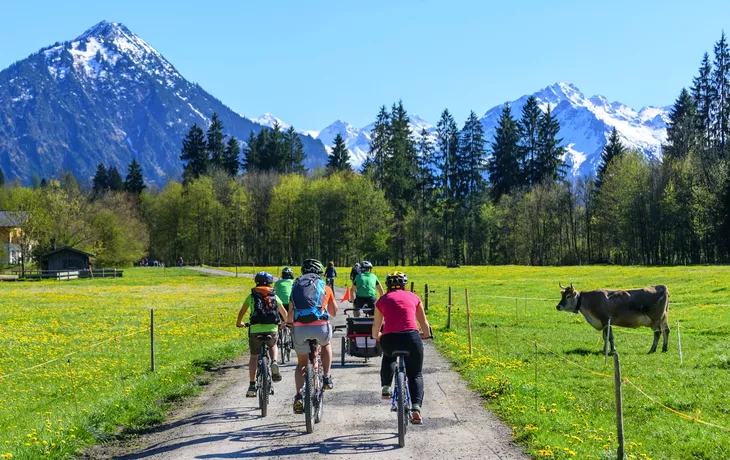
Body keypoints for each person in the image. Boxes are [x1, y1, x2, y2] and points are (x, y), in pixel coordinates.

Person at [371, 271, 431, 424]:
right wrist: (426, 334)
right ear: (404, 285)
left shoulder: (382, 300)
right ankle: (416, 408)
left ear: (387, 285)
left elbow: (376, 325)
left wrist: (376, 335)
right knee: (415, 374)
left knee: (388, 356)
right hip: (412, 337)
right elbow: (424, 323)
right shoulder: (414, 297)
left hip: (390, 338)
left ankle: (386, 387)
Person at [288, 259, 338, 414]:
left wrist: (290, 324)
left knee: (301, 364)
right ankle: (327, 376)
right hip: (320, 327)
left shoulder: (295, 286)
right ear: (320, 273)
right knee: (326, 344)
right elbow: (334, 312)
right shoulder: (325, 287)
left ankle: (299, 396)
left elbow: (290, 314)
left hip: (300, 328)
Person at [236, 271, 289, 397]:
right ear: (270, 283)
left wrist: (239, 323)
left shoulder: (251, 296)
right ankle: (274, 361)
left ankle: (252, 385)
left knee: (254, 356)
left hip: (255, 330)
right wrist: (284, 323)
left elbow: (242, 312)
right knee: (273, 345)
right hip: (272, 329)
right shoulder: (274, 296)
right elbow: (284, 313)